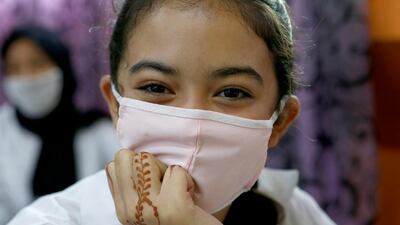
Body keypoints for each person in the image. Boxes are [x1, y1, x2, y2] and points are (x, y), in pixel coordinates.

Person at [8, 1, 337, 224]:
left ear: (279, 122)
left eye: (232, 92)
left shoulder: (298, 212)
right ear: (115, 104)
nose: (192, 120)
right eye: (156, 87)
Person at [0, 25, 118, 223]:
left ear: (61, 66)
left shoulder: (97, 131)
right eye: (14, 68)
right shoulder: (3, 129)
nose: (26, 77)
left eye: (36, 64)